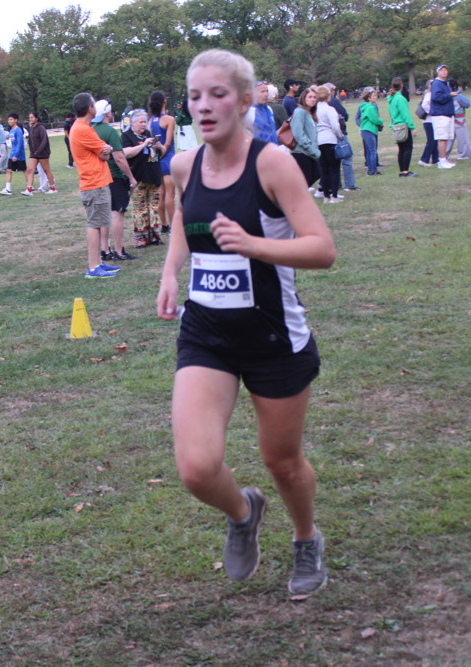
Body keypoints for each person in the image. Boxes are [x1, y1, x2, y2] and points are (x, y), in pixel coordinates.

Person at [156, 48, 336, 601]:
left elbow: (322, 249)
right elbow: (185, 219)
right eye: (195, 96)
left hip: (272, 336)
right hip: (206, 333)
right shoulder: (185, 165)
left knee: (282, 462)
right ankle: (243, 512)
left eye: (217, 95)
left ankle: (305, 538)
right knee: (196, 468)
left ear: (242, 101)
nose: (204, 106)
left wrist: (253, 244)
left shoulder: (271, 164)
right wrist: (170, 271)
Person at [68, 92, 120, 279]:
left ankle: (98, 262)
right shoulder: (83, 129)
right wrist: (107, 149)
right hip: (94, 183)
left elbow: (103, 152)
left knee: (98, 224)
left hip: (96, 182)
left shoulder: (82, 127)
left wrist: (105, 150)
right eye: (94, 104)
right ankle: (93, 267)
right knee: (94, 225)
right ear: (90, 108)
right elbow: (104, 155)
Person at [90, 99, 138, 261]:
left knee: (105, 213)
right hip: (114, 176)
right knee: (118, 212)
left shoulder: (91, 130)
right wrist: (131, 177)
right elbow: (119, 158)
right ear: (108, 113)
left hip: (98, 177)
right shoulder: (110, 132)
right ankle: (119, 250)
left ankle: (105, 249)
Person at [122, 110, 163, 248]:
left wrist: (160, 146)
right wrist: (143, 145)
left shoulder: (149, 134)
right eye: (140, 122)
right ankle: (140, 238)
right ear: (133, 123)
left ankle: (155, 236)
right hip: (138, 177)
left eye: (145, 122)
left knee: (153, 208)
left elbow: (161, 154)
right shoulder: (127, 136)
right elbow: (126, 153)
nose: (143, 125)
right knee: (140, 208)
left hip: (154, 176)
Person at [149, 91, 176, 234]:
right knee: (170, 194)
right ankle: (173, 225)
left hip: (156, 159)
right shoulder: (169, 120)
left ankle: (164, 224)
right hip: (167, 157)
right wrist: (163, 152)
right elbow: (168, 143)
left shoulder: (150, 121)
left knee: (161, 193)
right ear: (164, 102)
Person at [314, 84, 345, 201]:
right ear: (328, 96)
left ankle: (326, 195)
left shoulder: (314, 111)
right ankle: (334, 195)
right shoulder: (330, 109)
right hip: (330, 139)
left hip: (318, 140)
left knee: (324, 169)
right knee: (334, 168)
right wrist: (340, 136)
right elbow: (335, 126)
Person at [290, 87, 321, 188]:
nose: (313, 99)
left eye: (314, 97)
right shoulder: (300, 112)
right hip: (301, 152)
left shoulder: (311, 113)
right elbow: (298, 134)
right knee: (303, 182)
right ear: (304, 98)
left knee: (316, 174)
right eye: (310, 97)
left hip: (310, 152)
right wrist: (311, 148)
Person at [387, 77, 417, 177]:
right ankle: (405, 171)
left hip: (396, 126)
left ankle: (401, 171)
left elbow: (391, 113)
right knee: (408, 148)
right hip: (403, 126)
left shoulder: (391, 99)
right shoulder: (401, 99)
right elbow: (405, 115)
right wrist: (412, 127)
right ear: (402, 86)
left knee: (401, 149)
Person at [429, 64, 457, 168]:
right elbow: (436, 97)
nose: (444, 72)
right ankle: (442, 161)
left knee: (446, 138)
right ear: (438, 72)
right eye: (442, 70)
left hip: (447, 113)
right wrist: (449, 95)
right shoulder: (437, 83)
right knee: (443, 138)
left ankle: (444, 159)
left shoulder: (446, 84)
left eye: (445, 70)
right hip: (440, 114)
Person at [358, 87, 384, 175]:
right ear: (369, 98)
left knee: (369, 151)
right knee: (372, 151)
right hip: (369, 130)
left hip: (365, 130)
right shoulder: (370, 107)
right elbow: (375, 119)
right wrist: (381, 121)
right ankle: (373, 170)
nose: (375, 97)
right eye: (373, 96)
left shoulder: (365, 106)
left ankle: (370, 169)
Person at [0, 114, 27, 196]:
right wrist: (13, 154)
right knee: (9, 170)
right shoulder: (11, 130)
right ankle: (8, 189)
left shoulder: (18, 130)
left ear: (16, 120)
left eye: (11, 119)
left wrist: (16, 155)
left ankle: (30, 186)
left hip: (19, 155)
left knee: (24, 170)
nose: (9, 121)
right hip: (12, 154)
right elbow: (13, 144)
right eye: (9, 120)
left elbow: (19, 144)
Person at [444, 79, 471, 160]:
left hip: (448, 120)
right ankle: (463, 154)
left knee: (447, 140)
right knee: (462, 139)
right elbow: (467, 104)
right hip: (459, 121)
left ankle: (443, 156)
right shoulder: (458, 96)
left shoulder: (444, 96)